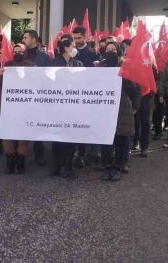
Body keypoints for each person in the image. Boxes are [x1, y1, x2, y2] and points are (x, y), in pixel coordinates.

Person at [100, 41, 140, 181]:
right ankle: (106, 166)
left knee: (121, 138)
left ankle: (118, 165)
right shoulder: (99, 67)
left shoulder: (126, 67)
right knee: (105, 140)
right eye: (108, 49)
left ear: (119, 52)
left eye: (113, 50)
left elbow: (134, 88)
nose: (110, 52)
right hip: (104, 107)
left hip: (122, 107)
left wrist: (136, 105)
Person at [0, 43, 35, 174]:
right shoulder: (6, 66)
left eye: (20, 51)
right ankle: (9, 161)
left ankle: (20, 162)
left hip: (26, 108)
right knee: (7, 135)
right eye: (15, 51)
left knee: (23, 136)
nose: (17, 53)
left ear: (25, 53)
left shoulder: (32, 66)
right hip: (9, 108)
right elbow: (0, 88)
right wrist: (0, 76)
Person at [49, 34, 83, 178]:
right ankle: (57, 165)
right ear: (65, 48)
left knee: (70, 136)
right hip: (57, 106)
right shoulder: (54, 63)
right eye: (72, 46)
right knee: (57, 138)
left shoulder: (78, 64)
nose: (75, 49)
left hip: (72, 106)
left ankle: (68, 165)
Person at [72, 26, 100, 168]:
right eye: (74, 38)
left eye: (79, 38)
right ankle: (79, 153)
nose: (76, 41)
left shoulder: (93, 55)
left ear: (85, 37)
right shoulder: (70, 53)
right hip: (73, 95)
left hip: (88, 95)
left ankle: (92, 152)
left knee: (88, 124)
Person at [21, 29, 50, 166]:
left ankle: (39, 154)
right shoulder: (20, 54)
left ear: (34, 39)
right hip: (22, 97)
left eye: (26, 37)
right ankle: (20, 155)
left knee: (38, 126)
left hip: (39, 96)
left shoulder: (43, 57)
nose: (23, 40)